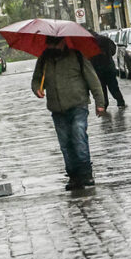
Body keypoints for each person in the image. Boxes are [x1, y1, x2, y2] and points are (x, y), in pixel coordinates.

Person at [31, 36, 105, 190]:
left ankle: (86, 174)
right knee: (65, 143)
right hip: (57, 108)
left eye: (55, 43)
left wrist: (100, 103)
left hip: (78, 104)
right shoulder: (44, 59)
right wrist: (37, 88)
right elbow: (36, 79)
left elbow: (93, 80)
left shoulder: (77, 56)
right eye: (50, 44)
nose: (53, 47)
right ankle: (73, 176)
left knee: (78, 136)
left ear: (63, 41)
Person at [88, 30, 126, 110]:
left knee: (102, 88)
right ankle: (120, 102)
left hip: (97, 69)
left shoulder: (89, 43)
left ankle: (105, 104)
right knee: (113, 86)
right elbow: (113, 50)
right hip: (109, 66)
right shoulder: (105, 39)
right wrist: (108, 55)